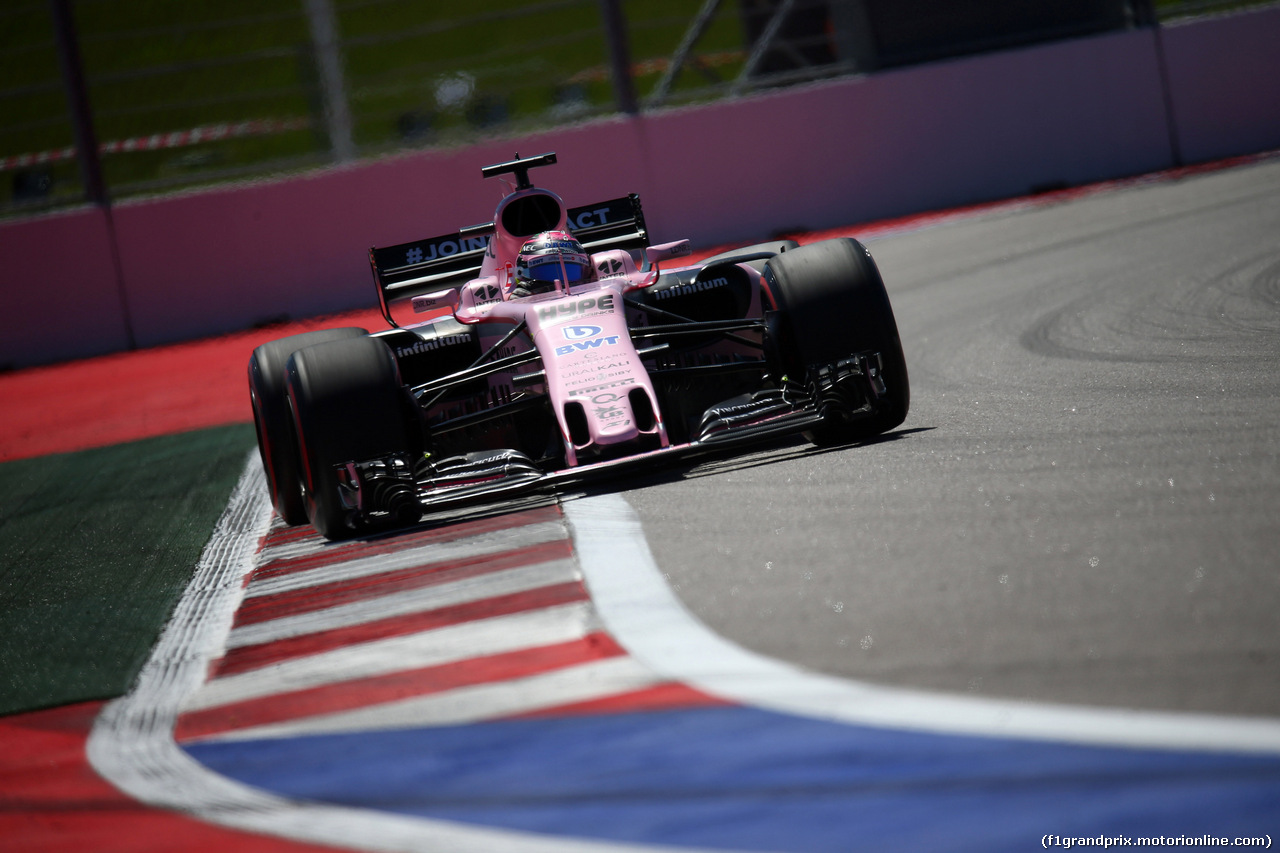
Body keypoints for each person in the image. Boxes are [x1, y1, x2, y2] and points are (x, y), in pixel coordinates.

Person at [511, 230, 592, 297]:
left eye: (570, 272)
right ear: (520, 272)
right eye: (546, 273)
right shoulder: (517, 306)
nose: (559, 287)